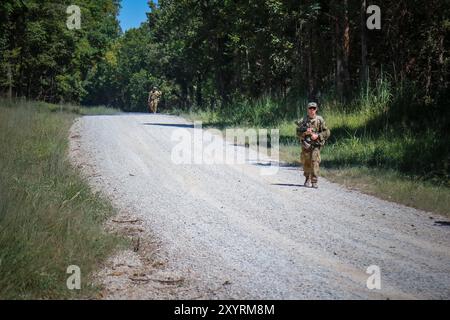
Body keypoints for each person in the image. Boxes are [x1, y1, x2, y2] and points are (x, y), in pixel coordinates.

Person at [295, 102, 330, 188]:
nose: (312, 110)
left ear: (316, 109)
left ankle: (314, 181)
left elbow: (327, 132)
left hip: (316, 144)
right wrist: (305, 133)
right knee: (306, 161)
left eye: (313, 108)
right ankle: (307, 179)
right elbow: (298, 133)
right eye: (310, 108)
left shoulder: (320, 120)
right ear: (307, 110)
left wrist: (317, 135)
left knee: (315, 161)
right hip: (306, 144)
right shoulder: (303, 120)